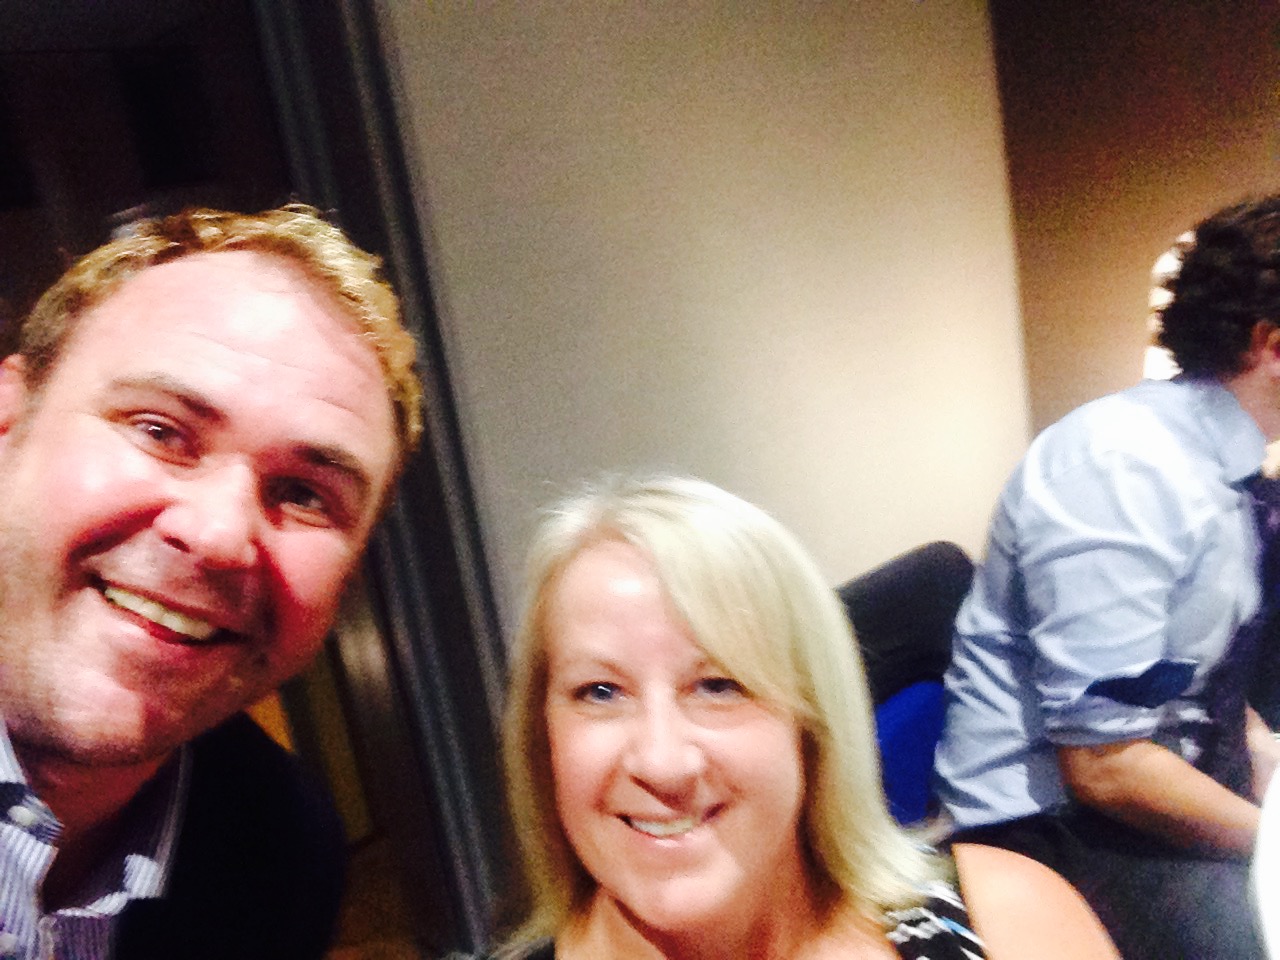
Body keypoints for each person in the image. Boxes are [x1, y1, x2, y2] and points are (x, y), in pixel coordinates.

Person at [0, 204, 421, 959]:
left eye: (304, 494)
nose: (220, 536)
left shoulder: (284, 852)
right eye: (159, 431)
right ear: (9, 424)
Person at [464, 475, 1118, 960]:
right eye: (600, 692)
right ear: (542, 741)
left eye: (718, 685)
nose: (661, 763)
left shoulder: (1007, 921)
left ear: (811, 728)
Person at [934, 195, 1280, 960]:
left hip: (1150, 773)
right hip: (1046, 823)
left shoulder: (1226, 469)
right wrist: (1271, 841)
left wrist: (1267, 754)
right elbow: (1103, 768)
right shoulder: (1124, 469)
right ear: (1272, 344)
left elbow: (1200, 679)